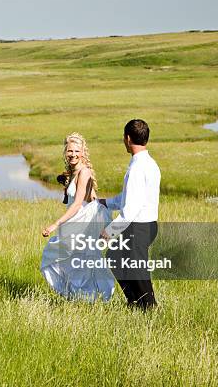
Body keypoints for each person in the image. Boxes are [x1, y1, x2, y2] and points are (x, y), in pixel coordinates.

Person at [40, 132, 115, 302]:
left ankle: (97, 297)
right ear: (65, 153)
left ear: (83, 153)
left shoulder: (84, 172)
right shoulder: (73, 172)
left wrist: (55, 224)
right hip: (77, 222)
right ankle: (80, 298)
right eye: (69, 151)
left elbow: (77, 204)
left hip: (82, 222)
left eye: (76, 151)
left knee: (73, 258)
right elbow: (91, 197)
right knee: (74, 260)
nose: (73, 154)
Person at [100, 119, 161, 310]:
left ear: (127, 138)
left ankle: (149, 307)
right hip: (146, 224)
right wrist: (106, 202)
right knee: (115, 257)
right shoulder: (150, 163)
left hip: (138, 225)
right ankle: (135, 302)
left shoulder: (136, 168)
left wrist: (111, 230)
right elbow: (128, 198)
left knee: (137, 268)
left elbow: (131, 207)